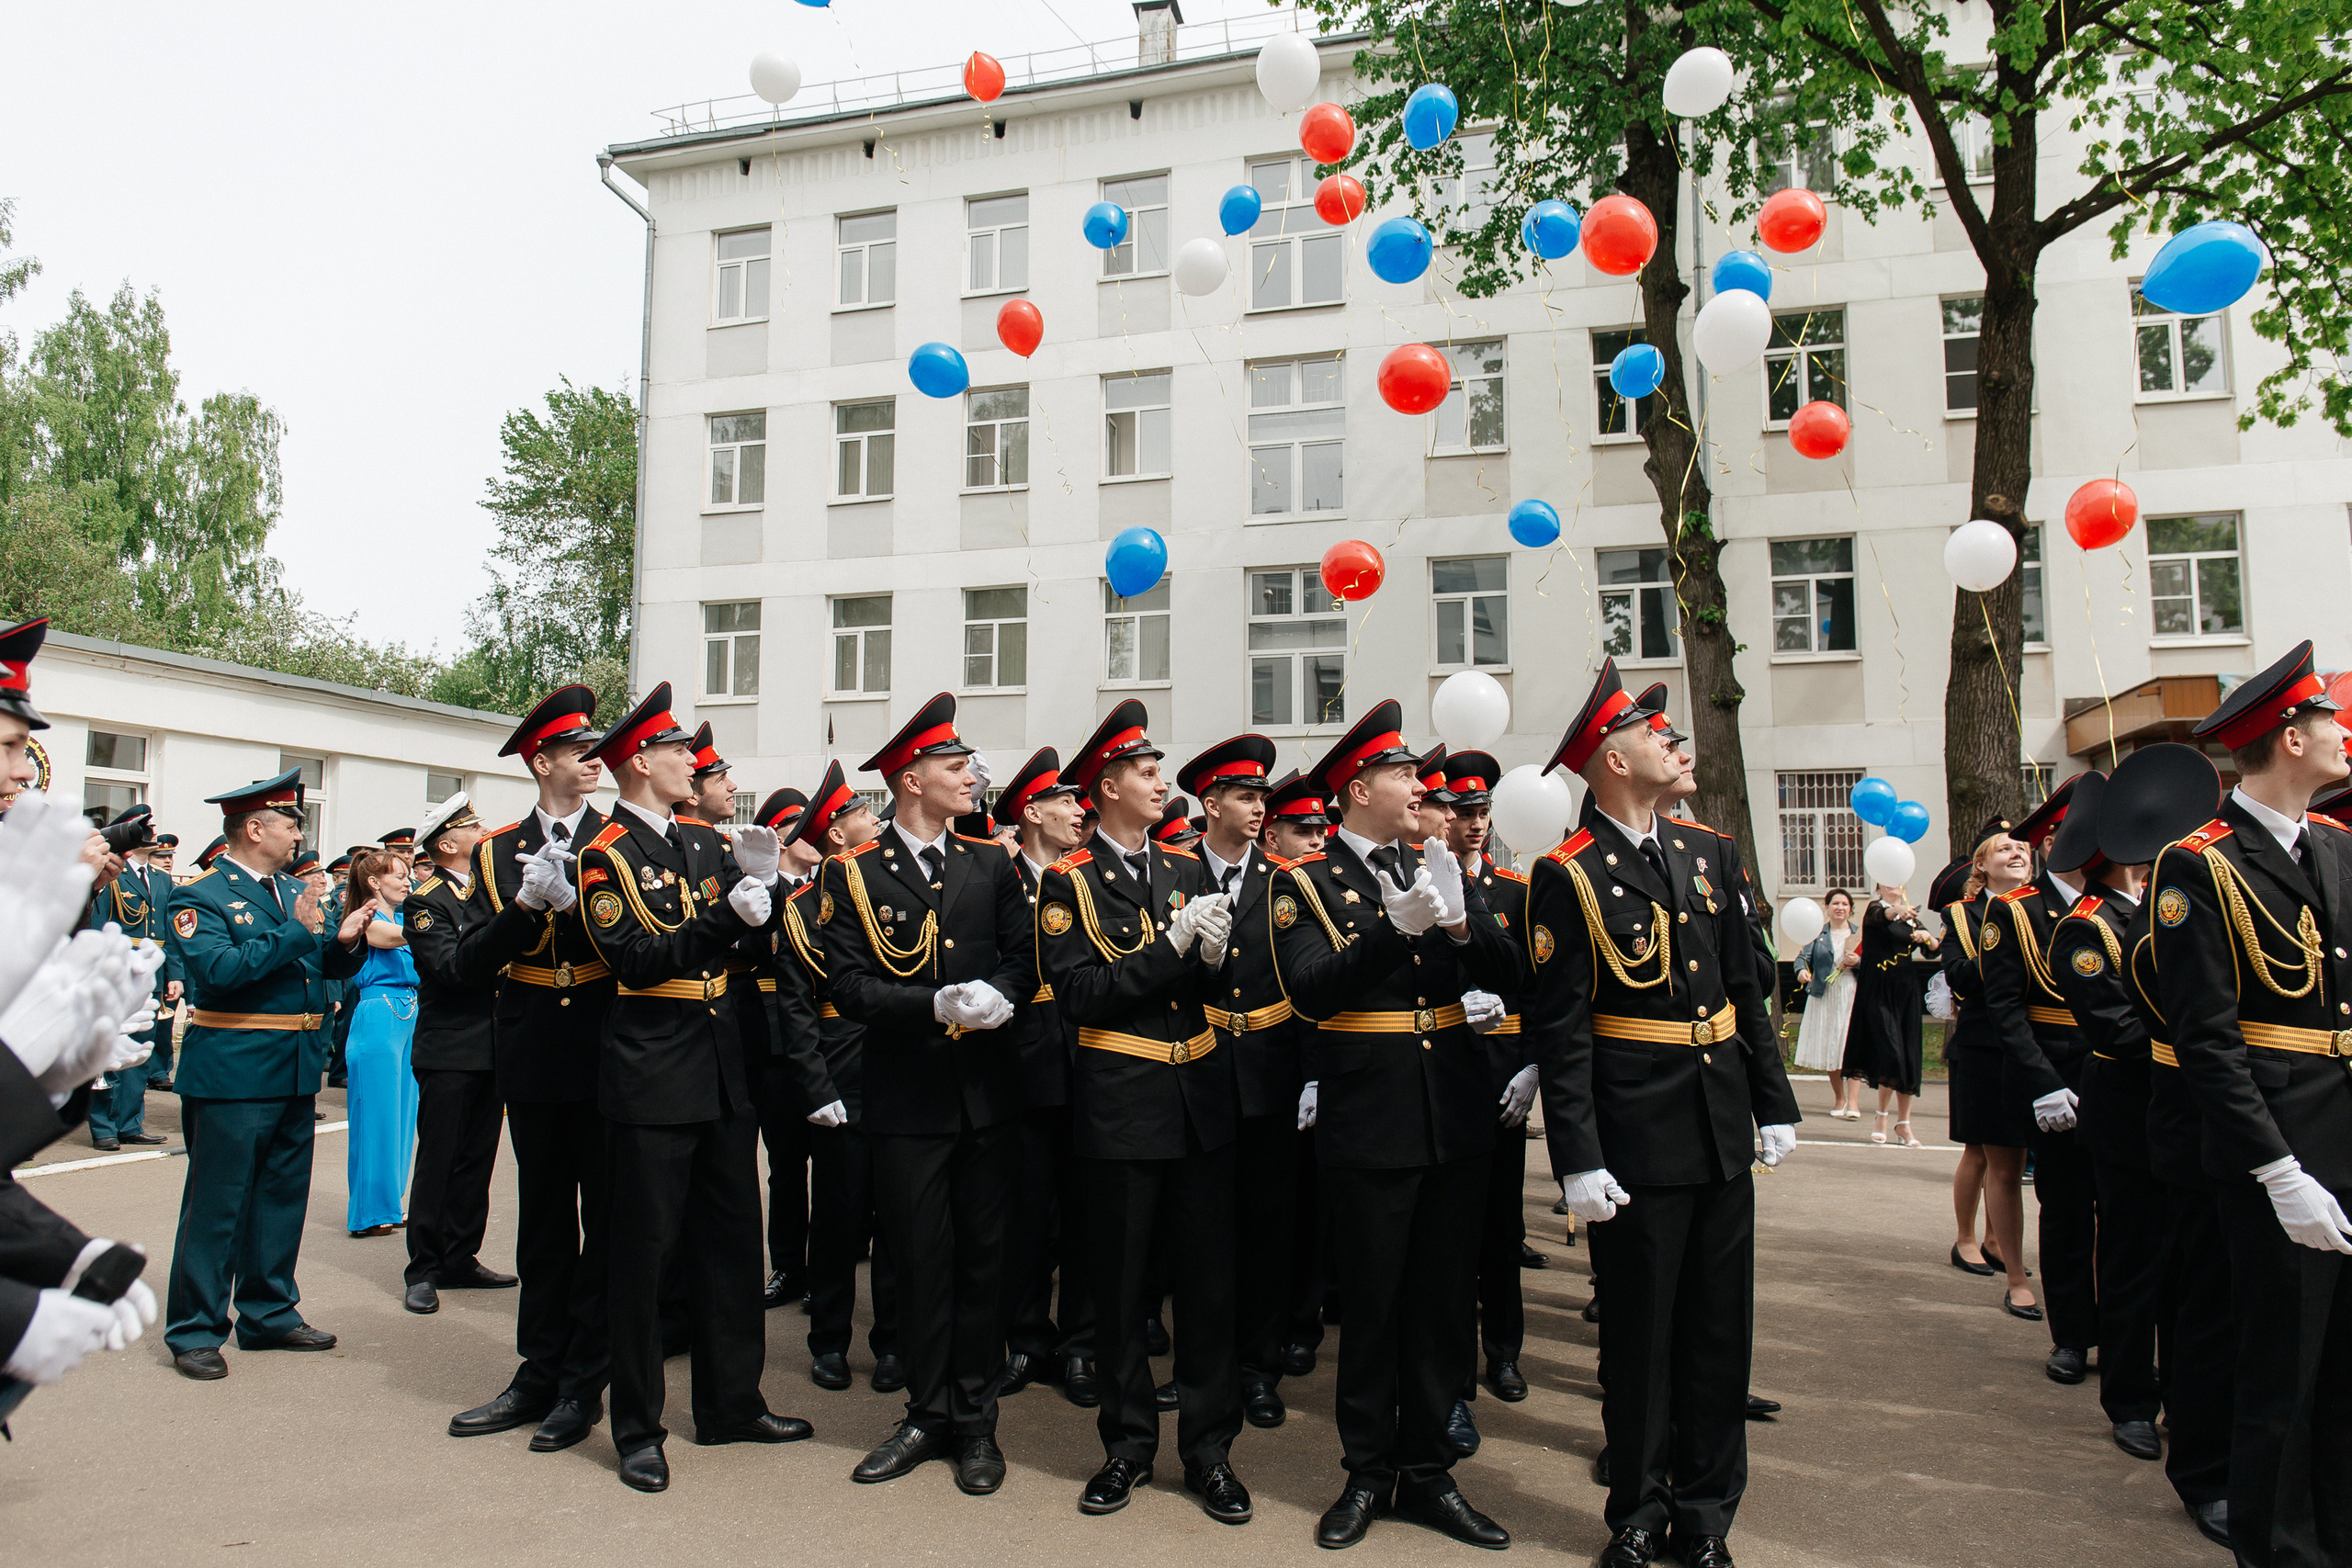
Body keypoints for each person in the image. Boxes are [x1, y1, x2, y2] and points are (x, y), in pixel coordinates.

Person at [1528, 661, 1801, 1568]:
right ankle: (1637, 1515)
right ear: (1612, 757)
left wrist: (1771, 1100)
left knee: (1720, 1338)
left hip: (1720, 1127)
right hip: (1636, 1142)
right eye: (1653, 733)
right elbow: (1561, 1031)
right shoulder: (1565, 874)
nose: (1669, 743)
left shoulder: (1708, 851)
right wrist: (1576, 1159)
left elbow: (1743, 991)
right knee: (1640, 1345)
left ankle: (1707, 1519)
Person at [1270, 698, 1522, 1551]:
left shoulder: (1437, 860)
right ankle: (1368, 1471)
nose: (1423, 786)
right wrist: (1393, 931)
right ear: (1356, 787)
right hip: (1370, 1114)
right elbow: (1310, 986)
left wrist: (1456, 918)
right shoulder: (1300, 879)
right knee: (1374, 1306)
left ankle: (1429, 1474)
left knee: (1445, 1304)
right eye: (1404, 773)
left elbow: (1507, 965)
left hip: (1452, 1110)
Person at [575, 682, 826, 1493]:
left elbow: (744, 955)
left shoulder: (709, 842)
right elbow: (636, 962)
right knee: (644, 1259)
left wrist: (767, 909)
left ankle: (730, 1404)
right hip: (651, 1070)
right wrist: (727, 919)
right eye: (681, 750)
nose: (695, 761)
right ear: (641, 760)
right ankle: (638, 1426)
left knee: (728, 1246)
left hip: (720, 1064)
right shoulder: (604, 853)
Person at [2151, 640, 2352, 1567]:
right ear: (2284, 737)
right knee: (2282, 1374)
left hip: (2344, 1130)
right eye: (2321, 719)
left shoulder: (2336, 847)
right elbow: (2208, 1039)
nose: (2337, 730)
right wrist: (2277, 1172)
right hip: (2282, 1149)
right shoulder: (2199, 864)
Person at [1037, 705, 1247, 1522]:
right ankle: (1126, 1448)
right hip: (1122, 1107)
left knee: (1206, 1290)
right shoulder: (1069, 879)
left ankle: (1210, 1452)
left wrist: (1216, 956)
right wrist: (1171, 949)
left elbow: (1205, 988)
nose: (1163, 781)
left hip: (1197, 1102)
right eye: (1148, 771)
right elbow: (1081, 996)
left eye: (1160, 770)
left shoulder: (1187, 868)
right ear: (1108, 785)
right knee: (1121, 1293)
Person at [821, 694, 1032, 1496]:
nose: (971, 777)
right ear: (912, 779)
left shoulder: (991, 862)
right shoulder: (856, 872)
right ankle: (926, 1411)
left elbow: (1023, 956)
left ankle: (976, 1422)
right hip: (908, 1100)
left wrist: (1002, 995)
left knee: (985, 1263)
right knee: (918, 1263)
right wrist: (930, 1004)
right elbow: (845, 982)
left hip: (986, 1097)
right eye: (955, 766)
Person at [446, 685, 616, 1455]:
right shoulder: (493, 849)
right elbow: (465, 964)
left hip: (610, 1045)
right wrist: (523, 909)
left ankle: (587, 1381)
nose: (594, 760)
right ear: (542, 760)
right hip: (534, 1045)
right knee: (545, 1223)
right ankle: (536, 1372)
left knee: (607, 1225)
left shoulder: (621, 838)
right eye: (579, 750)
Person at [163, 767, 370, 1380]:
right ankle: (196, 1328)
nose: (298, 835)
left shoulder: (286, 891)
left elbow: (313, 960)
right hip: (233, 1070)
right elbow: (222, 972)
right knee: (218, 1204)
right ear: (254, 828)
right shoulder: (200, 894)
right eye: (290, 823)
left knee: (280, 1199)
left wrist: (347, 941)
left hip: (293, 1067)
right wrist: (297, 932)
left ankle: (268, 1311)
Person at [2049, 749, 2223, 1478]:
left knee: (2187, 1265)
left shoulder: (2161, 905)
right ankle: (2127, 1399)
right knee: (2132, 1263)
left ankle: (2185, 1395)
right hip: (2128, 1110)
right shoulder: (2087, 928)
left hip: (2181, 1111)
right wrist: (2195, 1041)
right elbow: (2115, 1026)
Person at [1179, 735, 1301, 1434]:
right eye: (1247, 796)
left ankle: (1259, 1368)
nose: (1260, 808)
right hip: (1196, 1070)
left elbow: (1306, 980)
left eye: (1264, 797)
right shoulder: (1175, 871)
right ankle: (1206, 1366)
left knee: (1266, 1231)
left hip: (1269, 1073)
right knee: (1202, 1232)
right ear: (1212, 801)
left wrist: (1310, 1076)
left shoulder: (1287, 878)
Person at [779, 765, 904, 1393]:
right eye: (858, 808)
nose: (871, 814)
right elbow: (795, 1009)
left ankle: (892, 1342)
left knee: (896, 1216)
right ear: (835, 831)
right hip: (840, 1073)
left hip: (896, 1064)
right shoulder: (802, 908)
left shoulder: (888, 882)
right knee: (837, 1218)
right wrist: (816, 1086)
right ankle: (828, 1338)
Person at [1980, 773, 2098, 1384]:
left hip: (2121, 1079)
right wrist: (2044, 1083)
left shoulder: (2120, 901)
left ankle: (2129, 1338)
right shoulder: (2016, 911)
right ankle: (2074, 1335)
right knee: (2070, 1212)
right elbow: (2006, 1008)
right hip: (2058, 1076)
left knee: (2133, 1218)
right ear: (2053, 840)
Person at [1437, 750, 1541, 1438]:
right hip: (1446, 1075)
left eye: (1483, 813)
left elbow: (1541, 986)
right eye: (1464, 813)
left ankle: (1502, 1351)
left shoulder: (1516, 890)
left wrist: (1533, 1069)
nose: (1475, 824)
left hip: (1503, 1075)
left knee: (1503, 1230)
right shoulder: (1425, 886)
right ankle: (1450, 1372)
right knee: (1451, 1235)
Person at [991, 750, 1093, 1405]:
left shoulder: (1087, 876)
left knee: (1084, 1211)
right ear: (1031, 812)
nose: (1078, 811)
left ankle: (1082, 1343)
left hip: (1087, 1059)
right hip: (1022, 1063)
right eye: (1064, 802)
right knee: (1026, 1211)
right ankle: (1027, 1336)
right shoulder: (999, 880)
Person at [399, 794, 514, 1312]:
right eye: (472, 826)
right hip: (449, 1046)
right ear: (447, 843)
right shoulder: (427, 901)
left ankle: (460, 1256)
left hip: (493, 1043)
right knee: (440, 1158)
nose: (483, 832)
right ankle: (423, 1267)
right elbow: (450, 968)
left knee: (477, 1159)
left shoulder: (490, 893)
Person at [1932, 825, 2035, 1307]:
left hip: (2033, 1044)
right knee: (1985, 1151)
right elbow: (1961, 978)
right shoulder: (1965, 915)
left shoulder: (2045, 907)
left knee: (2008, 1157)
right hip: (1984, 1045)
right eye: (2003, 848)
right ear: (1981, 866)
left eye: (2022, 847)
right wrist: (2004, 955)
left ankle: (1998, 1241)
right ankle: (1967, 1238)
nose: (2017, 852)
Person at [1258, 768, 1334, 1376]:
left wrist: (1317, 1072)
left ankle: (1301, 1322)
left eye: (1321, 828)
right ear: (1272, 835)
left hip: (1315, 1067)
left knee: (1310, 1209)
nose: (1317, 838)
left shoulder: (1327, 890)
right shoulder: (1263, 891)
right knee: (1265, 1213)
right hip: (1260, 1066)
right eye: (1303, 829)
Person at [85, 806, 176, 1150]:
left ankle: (129, 1122)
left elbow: (169, 933)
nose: (151, 833)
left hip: (149, 972)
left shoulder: (162, 879)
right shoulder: (109, 871)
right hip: (116, 968)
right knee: (108, 1050)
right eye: (143, 828)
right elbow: (95, 923)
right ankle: (103, 1127)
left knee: (140, 1050)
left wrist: (173, 974)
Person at [344, 849, 420, 1237]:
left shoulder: (407, 916)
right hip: (379, 1015)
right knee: (375, 1114)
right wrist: (439, 918)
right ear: (374, 882)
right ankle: (369, 1212)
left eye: (408, 876)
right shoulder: (368, 918)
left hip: (410, 1014)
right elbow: (393, 939)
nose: (408, 882)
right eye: (399, 876)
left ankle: (390, 1202)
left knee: (403, 1114)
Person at [1846, 882, 1937, 1145]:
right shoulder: (1876, 910)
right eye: (1888, 882)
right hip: (1878, 992)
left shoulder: (1911, 919)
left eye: (1899, 882)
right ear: (1878, 888)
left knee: (1908, 1057)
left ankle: (1904, 1124)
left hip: (1905, 991)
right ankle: (1882, 1116)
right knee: (1892, 1053)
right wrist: (1898, 911)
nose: (1894, 886)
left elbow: (1934, 950)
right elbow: (1881, 917)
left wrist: (1926, 937)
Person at [1791, 890, 1861, 1111]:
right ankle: (1840, 1098)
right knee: (1832, 1047)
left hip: (1852, 992)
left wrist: (1857, 961)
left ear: (1850, 908)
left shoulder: (1860, 934)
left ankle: (1854, 1103)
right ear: (1827, 907)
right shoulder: (1818, 934)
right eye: (1835, 903)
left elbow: (1873, 963)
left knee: (1851, 1045)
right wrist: (1802, 971)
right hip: (1825, 994)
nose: (1840, 907)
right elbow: (1802, 957)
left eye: (1845, 904)